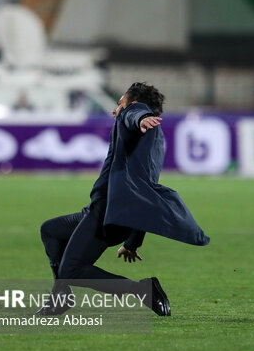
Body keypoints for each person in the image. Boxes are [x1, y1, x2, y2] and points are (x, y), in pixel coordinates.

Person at [37, 82, 210, 317]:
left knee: (72, 270)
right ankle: (61, 298)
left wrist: (140, 117)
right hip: (105, 210)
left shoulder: (134, 116)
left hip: (107, 213)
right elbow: (144, 191)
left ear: (133, 103)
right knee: (51, 230)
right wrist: (132, 241)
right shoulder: (150, 139)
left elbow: (133, 114)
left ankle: (142, 291)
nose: (115, 110)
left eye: (119, 104)